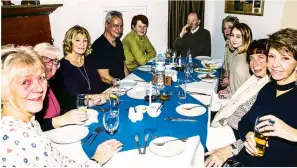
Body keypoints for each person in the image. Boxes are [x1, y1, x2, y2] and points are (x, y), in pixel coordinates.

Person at [0, 45, 123, 167]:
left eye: (41, 78)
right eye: (25, 82)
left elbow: (58, 160)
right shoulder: (20, 139)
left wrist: (90, 101)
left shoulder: (28, 123)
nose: (38, 88)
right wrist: (96, 160)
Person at [235, 28, 297, 167]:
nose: (275, 64)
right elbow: (243, 122)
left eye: (285, 58)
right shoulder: (268, 89)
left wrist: (293, 133)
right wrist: (249, 134)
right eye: (272, 56)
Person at [204, 39, 270, 167]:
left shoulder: (268, 89)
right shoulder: (256, 79)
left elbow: (261, 138)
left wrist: (231, 149)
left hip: (233, 136)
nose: (254, 63)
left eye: (261, 57)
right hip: (228, 126)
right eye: (251, 58)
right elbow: (239, 103)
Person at [33, 42, 99, 131]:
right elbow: (32, 125)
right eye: (45, 59)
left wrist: (90, 102)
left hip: (59, 130)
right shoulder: (32, 88)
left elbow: (66, 100)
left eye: (55, 61)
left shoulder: (52, 82)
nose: (50, 65)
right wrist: (61, 120)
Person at [52, 25, 107, 111]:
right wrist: (97, 96)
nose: (82, 44)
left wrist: (109, 91)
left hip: (96, 104)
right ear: (69, 42)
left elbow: (98, 86)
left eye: (85, 40)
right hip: (76, 110)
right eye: (77, 40)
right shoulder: (63, 67)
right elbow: (74, 97)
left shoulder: (89, 61)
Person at [87, 10, 129, 91]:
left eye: (121, 26)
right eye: (116, 26)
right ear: (107, 25)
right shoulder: (99, 46)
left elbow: (123, 66)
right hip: (108, 90)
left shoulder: (118, 42)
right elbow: (104, 77)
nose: (119, 29)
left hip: (120, 85)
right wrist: (122, 86)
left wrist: (130, 81)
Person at [218, 23, 252, 98]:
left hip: (237, 101)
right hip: (231, 95)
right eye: (232, 35)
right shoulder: (236, 52)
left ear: (246, 38)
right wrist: (227, 90)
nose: (234, 39)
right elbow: (233, 82)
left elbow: (245, 93)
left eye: (238, 37)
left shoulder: (244, 60)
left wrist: (229, 95)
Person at [220, 16, 240, 90]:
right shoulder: (228, 44)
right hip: (228, 82)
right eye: (224, 29)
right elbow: (226, 67)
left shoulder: (238, 47)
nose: (227, 31)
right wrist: (224, 76)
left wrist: (229, 80)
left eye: (230, 27)